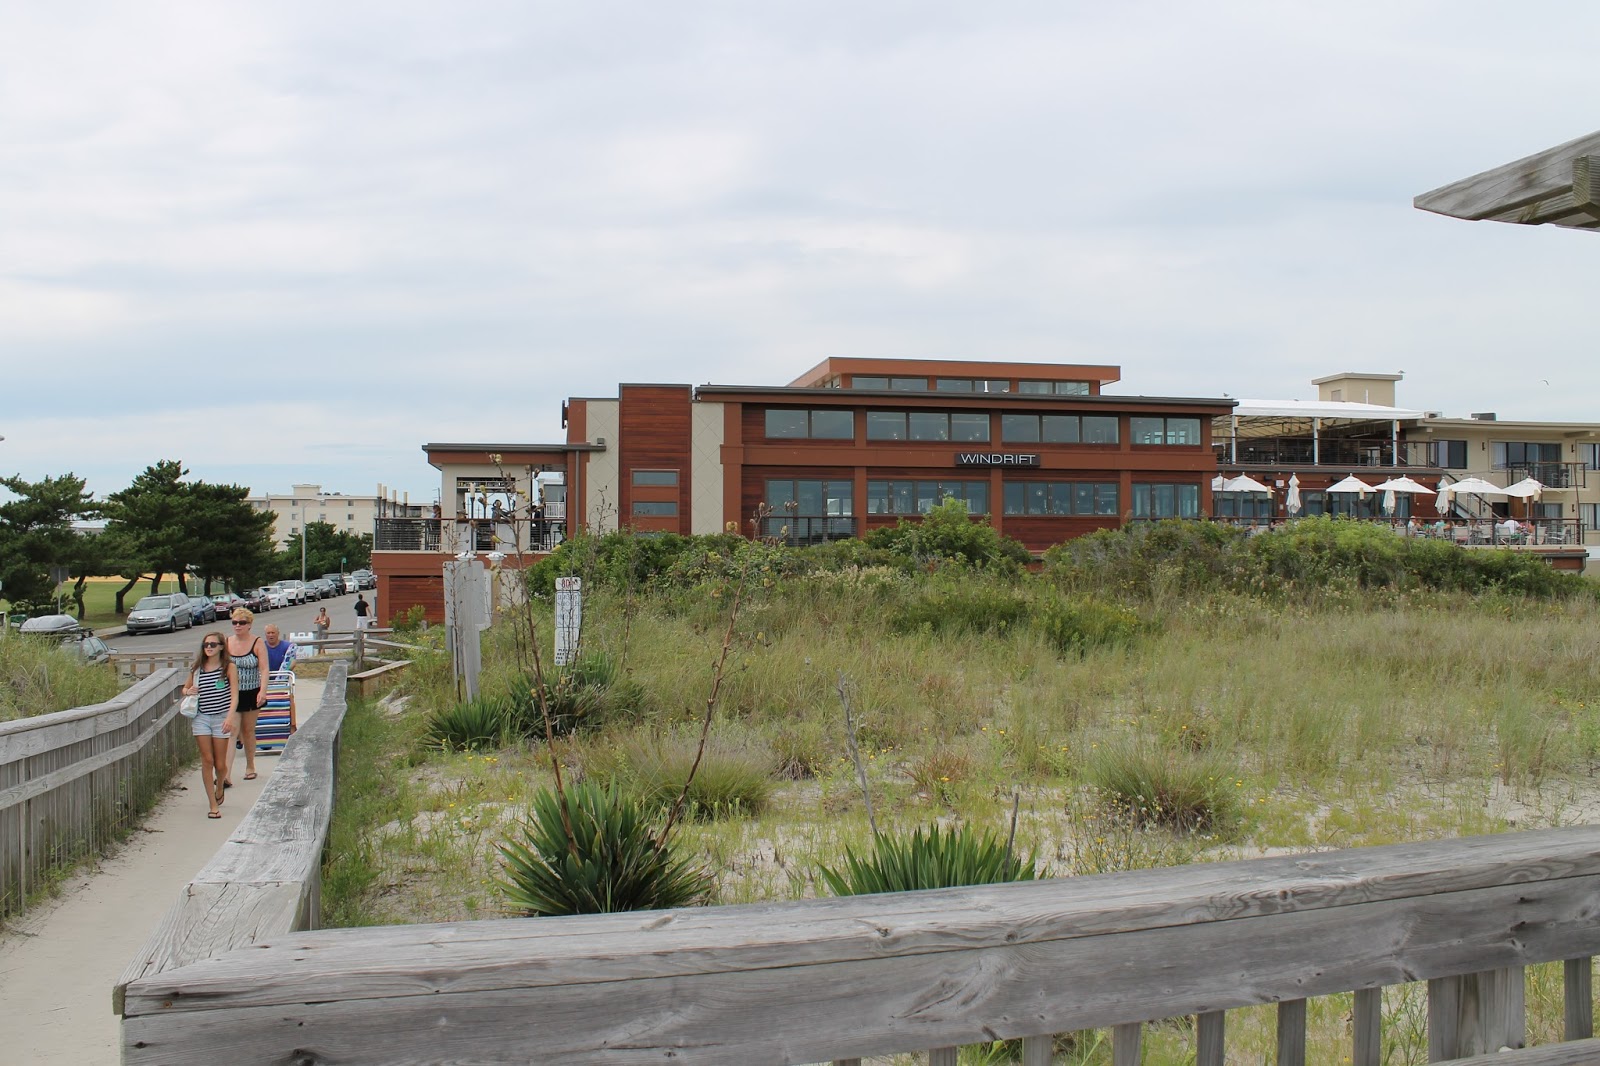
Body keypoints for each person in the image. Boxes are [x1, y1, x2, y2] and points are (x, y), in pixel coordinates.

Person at [182, 631, 238, 819]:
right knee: (207, 760)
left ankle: (220, 784)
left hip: (221, 717)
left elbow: (235, 696)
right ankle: (213, 804)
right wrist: (188, 691)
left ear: (221, 647)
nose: (209, 648)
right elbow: (184, 688)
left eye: (213, 644)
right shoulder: (197, 668)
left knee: (220, 764)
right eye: (206, 644)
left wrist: (230, 718)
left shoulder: (228, 668)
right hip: (201, 718)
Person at [224, 607, 270, 783]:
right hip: (232, 694)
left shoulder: (257, 643)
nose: (238, 626)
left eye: (242, 623)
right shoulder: (227, 642)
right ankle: (226, 774)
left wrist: (263, 691)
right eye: (235, 622)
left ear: (249, 625)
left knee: (248, 730)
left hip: (252, 692)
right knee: (231, 731)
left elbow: (264, 669)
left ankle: (250, 765)